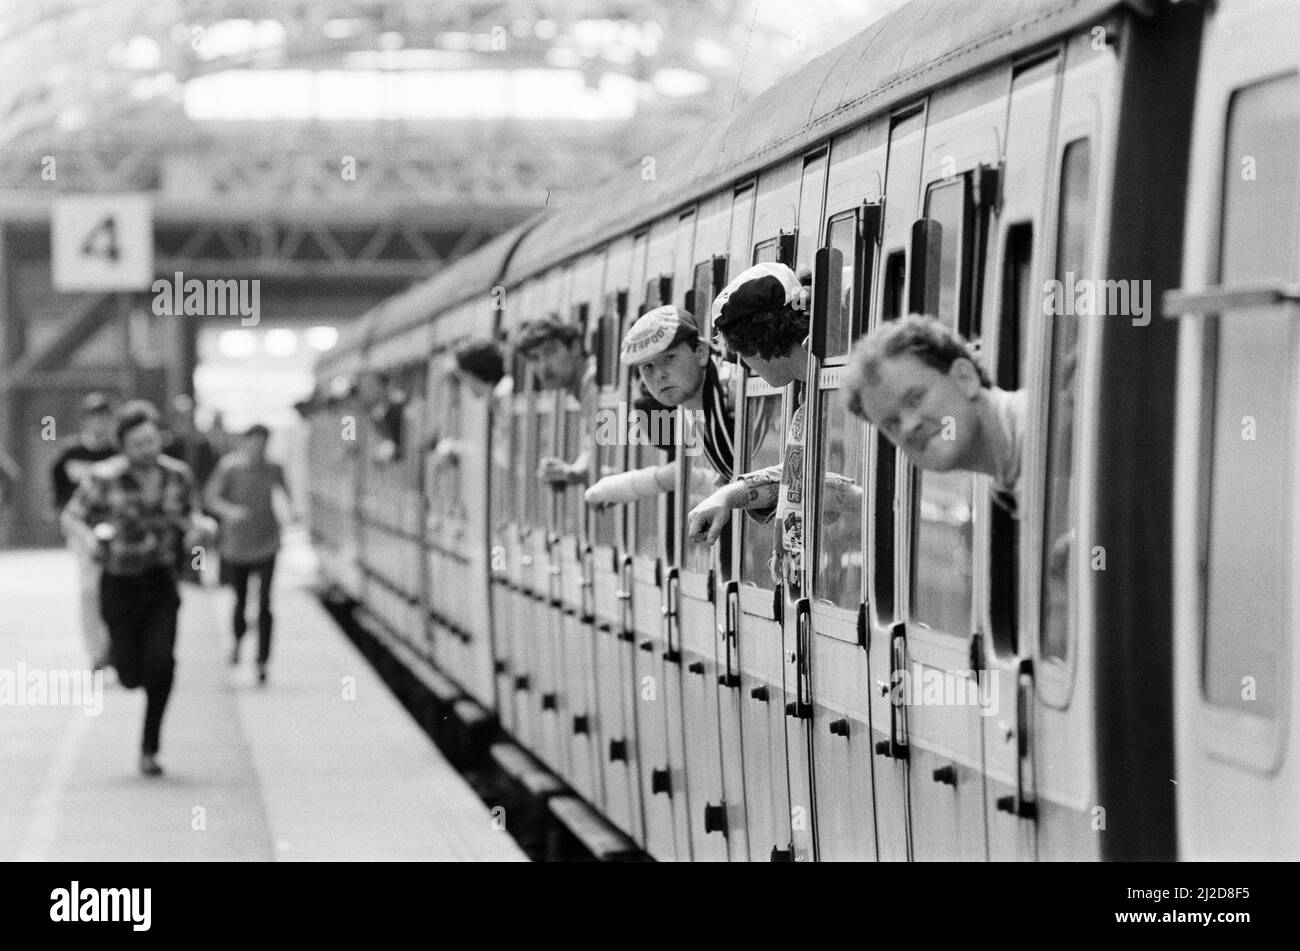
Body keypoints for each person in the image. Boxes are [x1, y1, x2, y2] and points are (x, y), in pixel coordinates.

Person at [63, 400, 214, 777]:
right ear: (123, 447)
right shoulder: (103, 477)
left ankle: (149, 748)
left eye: (151, 441)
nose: (148, 450)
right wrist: (89, 539)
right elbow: (72, 517)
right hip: (119, 583)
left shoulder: (177, 475)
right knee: (131, 675)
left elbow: (190, 516)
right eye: (138, 445)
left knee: (161, 665)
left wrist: (201, 530)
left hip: (161, 581)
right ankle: (116, 654)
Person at [841, 313, 1026, 516]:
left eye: (915, 399)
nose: (909, 427)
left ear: (965, 378)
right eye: (892, 424)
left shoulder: (1049, 425)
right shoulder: (1007, 485)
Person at [583, 304, 736, 506]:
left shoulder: (734, 391)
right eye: (647, 367)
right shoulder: (694, 406)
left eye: (669, 358)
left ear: (700, 352)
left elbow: (757, 478)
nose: (659, 375)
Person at [204, 424, 292, 685]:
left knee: (264, 603)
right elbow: (211, 497)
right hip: (237, 545)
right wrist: (230, 512)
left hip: (267, 541)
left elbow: (285, 496)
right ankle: (238, 642)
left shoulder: (274, 468)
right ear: (246, 442)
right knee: (240, 601)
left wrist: (291, 514)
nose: (259, 447)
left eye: (263, 442)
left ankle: (262, 660)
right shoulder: (229, 467)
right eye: (254, 442)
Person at [51, 392, 117, 670]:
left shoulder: (117, 455)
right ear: (85, 421)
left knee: (113, 589)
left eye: (104, 417)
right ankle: (97, 652)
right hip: (81, 531)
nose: (99, 424)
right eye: (94, 418)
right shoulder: (70, 454)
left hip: (114, 532)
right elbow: (59, 494)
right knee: (90, 590)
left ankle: (113, 645)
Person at [515, 316, 596, 488]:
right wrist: (568, 471)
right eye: (535, 358)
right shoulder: (583, 387)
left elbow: (602, 452)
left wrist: (570, 472)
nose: (543, 366)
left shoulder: (592, 382)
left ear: (574, 347)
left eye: (550, 352)